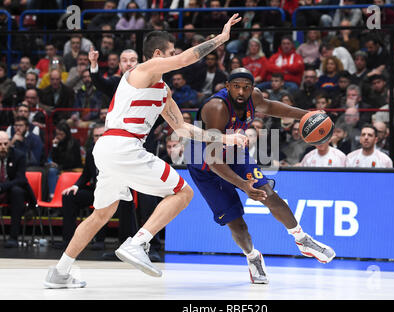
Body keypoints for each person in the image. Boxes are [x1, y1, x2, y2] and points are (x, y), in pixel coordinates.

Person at [44, 14, 247, 289]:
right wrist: (221, 39)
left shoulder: (163, 91)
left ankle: (60, 271)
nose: (175, 58)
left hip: (107, 149)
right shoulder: (142, 70)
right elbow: (186, 59)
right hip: (123, 145)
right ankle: (138, 242)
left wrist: (226, 139)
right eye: (171, 53)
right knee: (183, 192)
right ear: (158, 54)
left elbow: (184, 130)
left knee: (102, 214)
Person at [186, 68, 336, 285]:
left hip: (235, 154)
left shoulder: (253, 97)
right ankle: (252, 257)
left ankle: (302, 239)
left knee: (269, 194)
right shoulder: (216, 108)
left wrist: (306, 115)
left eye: (246, 87)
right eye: (236, 86)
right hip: (206, 166)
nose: (241, 91)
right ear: (227, 87)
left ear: (252, 88)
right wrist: (243, 185)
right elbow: (213, 159)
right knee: (236, 224)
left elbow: (272, 106)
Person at [59, 123, 136, 251]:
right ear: (92, 138)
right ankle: (68, 240)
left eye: (102, 135)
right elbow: (85, 175)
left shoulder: (117, 152)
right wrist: (76, 186)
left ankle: (108, 242)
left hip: (115, 190)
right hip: (96, 189)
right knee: (69, 196)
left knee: (120, 201)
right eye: (96, 136)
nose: (99, 138)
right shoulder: (90, 152)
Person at [0, 131, 36, 248]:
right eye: (0, 144)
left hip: (12, 191)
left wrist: (3, 187)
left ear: (10, 143)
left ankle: (13, 237)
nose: (3, 147)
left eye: (6, 144)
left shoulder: (19, 155)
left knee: (17, 191)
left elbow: (21, 179)